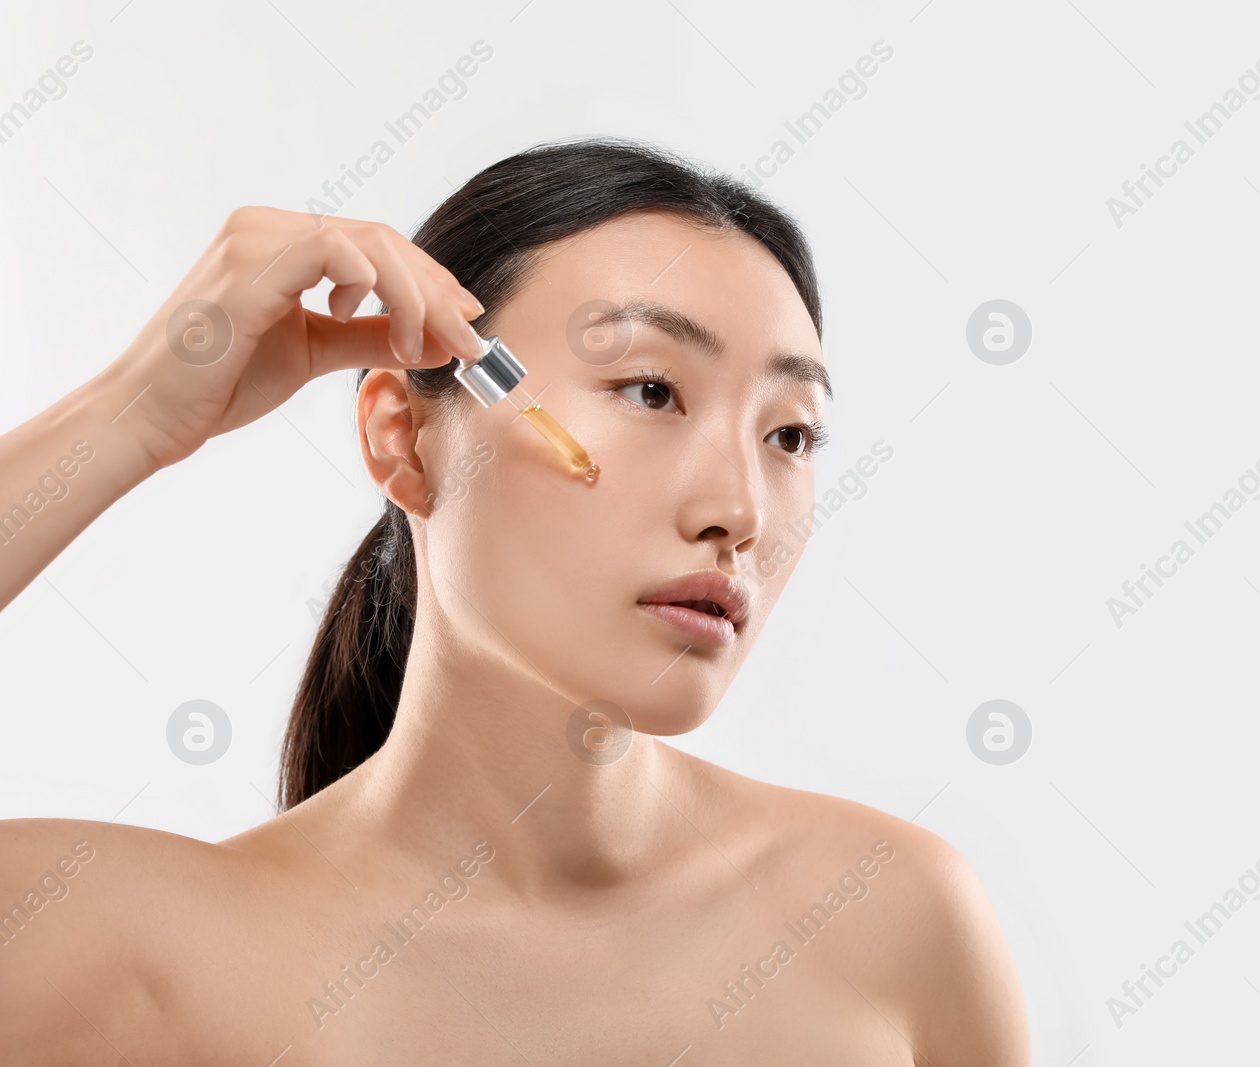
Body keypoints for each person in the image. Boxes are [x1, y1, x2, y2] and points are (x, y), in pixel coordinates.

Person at [0, 138, 1030, 1062]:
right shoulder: (146, 951)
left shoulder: (895, 920)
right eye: (650, 389)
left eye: (790, 434)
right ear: (403, 440)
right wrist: (131, 414)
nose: (740, 509)